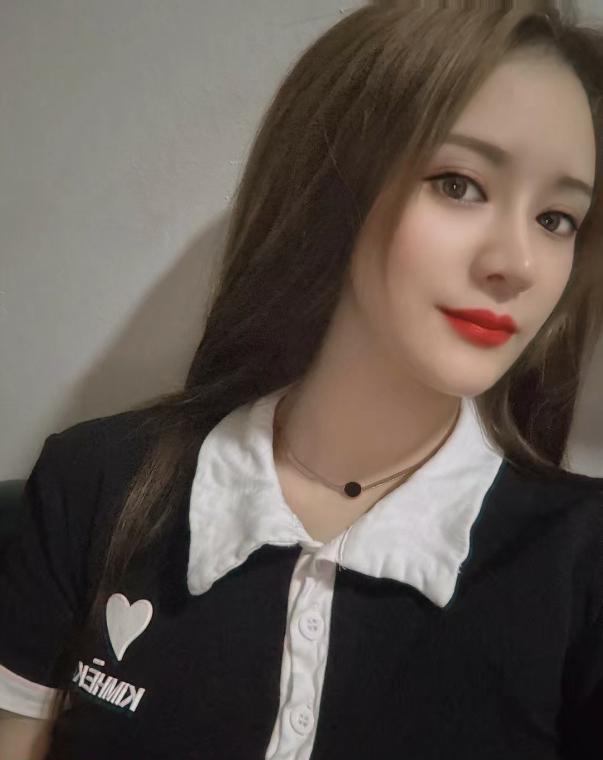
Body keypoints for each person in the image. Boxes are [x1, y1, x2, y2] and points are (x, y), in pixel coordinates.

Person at [1, 1, 603, 758]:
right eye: (459, 183)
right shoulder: (95, 484)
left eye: (556, 219)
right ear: (333, 184)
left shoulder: (581, 560)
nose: (517, 264)